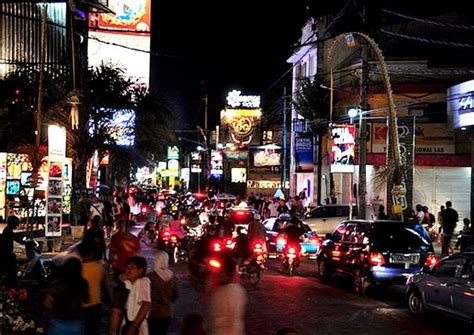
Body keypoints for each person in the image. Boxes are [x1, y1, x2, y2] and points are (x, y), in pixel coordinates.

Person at [44, 257, 89, 335]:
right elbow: (86, 300)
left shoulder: (59, 284)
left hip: (59, 324)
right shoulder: (83, 283)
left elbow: (47, 303)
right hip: (77, 324)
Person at [209, 250, 247, 335]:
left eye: (220, 273)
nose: (217, 275)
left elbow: (234, 320)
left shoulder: (234, 291)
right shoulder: (219, 289)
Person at [79, 240, 109, 335]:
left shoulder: (78, 267)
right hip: (96, 304)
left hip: (81, 305)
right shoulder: (99, 265)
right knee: (93, 330)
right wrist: (109, 298)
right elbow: (104, 285)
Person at [147, 251, 179, 335]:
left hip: (152, 313)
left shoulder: (150, 277)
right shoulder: (172, 277)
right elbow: (176, 295)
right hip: (167, 312)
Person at [121, 256, 151, 335]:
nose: (128, 270)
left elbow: (146, 303)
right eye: (127, 267)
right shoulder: (128, 283)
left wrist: (134, 325)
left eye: (132, 268)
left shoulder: (143, 282)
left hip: (138, 326)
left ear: (140, 271)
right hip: (127, 323)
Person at [0, 215, 24, 287]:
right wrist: (24, 242)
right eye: (16, 223)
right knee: (12, 268)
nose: (17, 225)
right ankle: (12, 284)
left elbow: (15, 237)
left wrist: (23, 241)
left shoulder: (8, 229)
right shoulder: (8, 231)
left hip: (5, 252)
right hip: (6, 253)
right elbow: (16, 238)